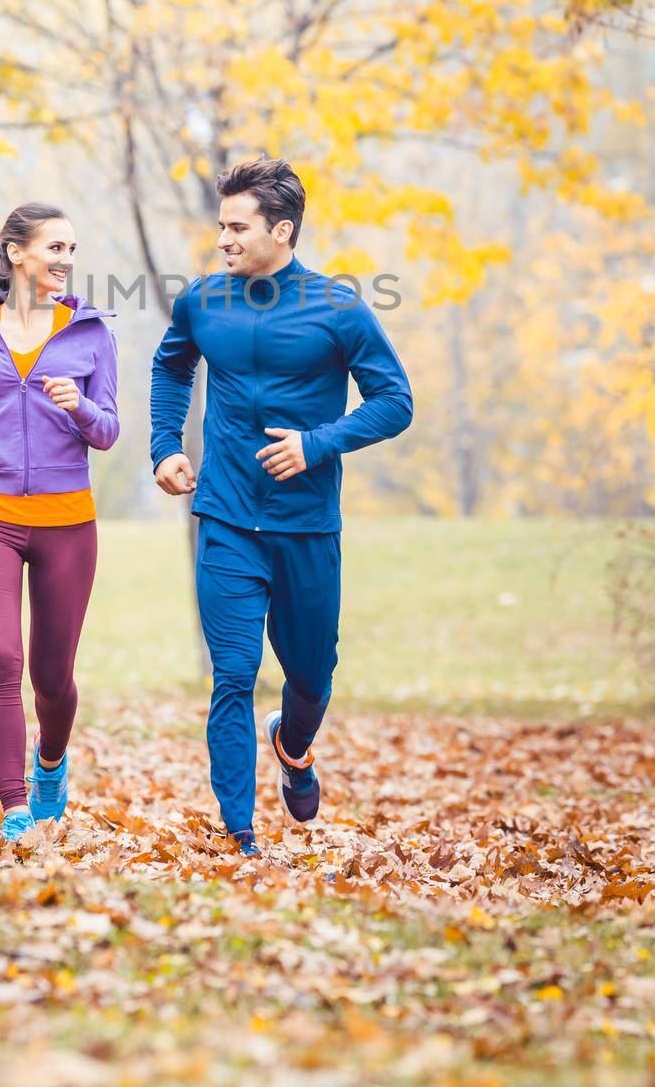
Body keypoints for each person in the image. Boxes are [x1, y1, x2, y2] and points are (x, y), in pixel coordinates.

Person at [149, 158, 412, 856]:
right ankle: (242, 835)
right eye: (221, 226)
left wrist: (317, 445)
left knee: (310, 675)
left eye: (237, 227)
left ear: (281, 230)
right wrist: (163, 446)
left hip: (305, 527)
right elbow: (170, 365)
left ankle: (292, 747)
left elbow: (394, 402)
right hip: (228, 518)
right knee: (233, 674)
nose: (223, 240)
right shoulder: (202, 301)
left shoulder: (336, 308)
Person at [0, 203, 119, 844]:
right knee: (0, 660)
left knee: (52, 678)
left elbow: (110, 431)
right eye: (53, 248)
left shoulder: (90, 333)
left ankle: (51, 765)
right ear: (15, 253)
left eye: (71, 248)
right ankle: (14, 809)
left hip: (68, 523)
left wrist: (82, 408)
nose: (65, 260)